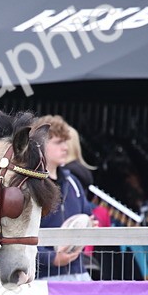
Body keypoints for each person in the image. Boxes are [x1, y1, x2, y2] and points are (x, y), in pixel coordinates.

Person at [34, 115, 97, 281]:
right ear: (41, 145)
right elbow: (15, 238)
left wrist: (91, 224)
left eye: (65, 141)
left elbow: (88, 216)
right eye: (58, 142)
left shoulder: (74, 182)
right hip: (43, 279)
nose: (65, 148)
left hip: (79, 273)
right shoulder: (30, 187)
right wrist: (51, 258)